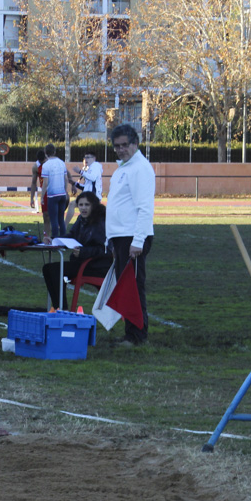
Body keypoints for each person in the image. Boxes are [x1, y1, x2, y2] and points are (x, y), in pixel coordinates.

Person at [106, 123, 155, 346]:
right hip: (121, 238)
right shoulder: (122, 169)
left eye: (125, 145)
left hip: (132, 237)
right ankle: (131, 333)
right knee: (126, 288)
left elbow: (145, 208)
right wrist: (112, 241)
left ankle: (137, 336)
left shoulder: (140, 169)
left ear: (135, 144)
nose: (121, 149)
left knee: (134, 288)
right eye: (117, 146)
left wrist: (138, 241)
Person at [42, 192, 111, 311]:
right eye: (81, 205)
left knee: (55, 270)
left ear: (94, 205)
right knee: (47, 268)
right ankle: (59, 307)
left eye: (87, 205)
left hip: (96, 266)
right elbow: (72, 236)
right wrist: (53, 240)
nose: (83, 208)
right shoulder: (81, 219)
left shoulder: (100, 221)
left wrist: (83, 252)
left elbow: (103, 249)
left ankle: (62, 309)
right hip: (83, 262)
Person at [39, 144, 69, 239]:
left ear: (45, 153)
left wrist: (42, 195)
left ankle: (55, 239)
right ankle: (64, 239)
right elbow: (66, 178)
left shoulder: (46, 165)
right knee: (61, 218)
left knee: (53, 219)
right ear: (55, 152)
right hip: (62, 193)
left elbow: (45, 182)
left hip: (52, 195)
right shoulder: (61, 163)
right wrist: (65, 191)